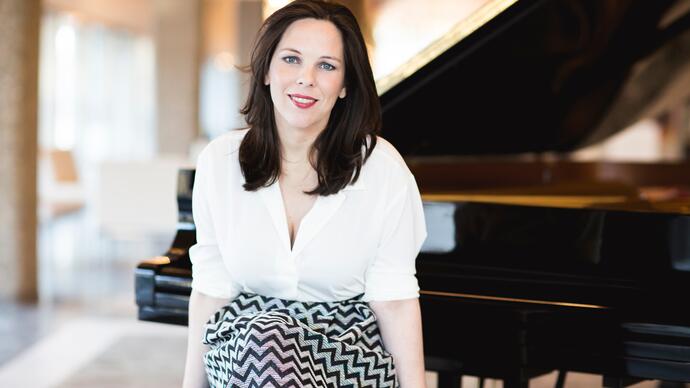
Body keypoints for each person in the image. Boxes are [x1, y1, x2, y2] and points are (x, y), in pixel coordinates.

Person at [182, 1, 427, 387]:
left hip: (345, 352)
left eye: (326, 66)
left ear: (346, 85)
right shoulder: (219, 162)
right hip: (250, 349)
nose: (306, 78)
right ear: (265, 71)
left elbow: (394, 302)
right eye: (291, 59)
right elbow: (211, 292)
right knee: (267, 345)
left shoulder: (382, 168)